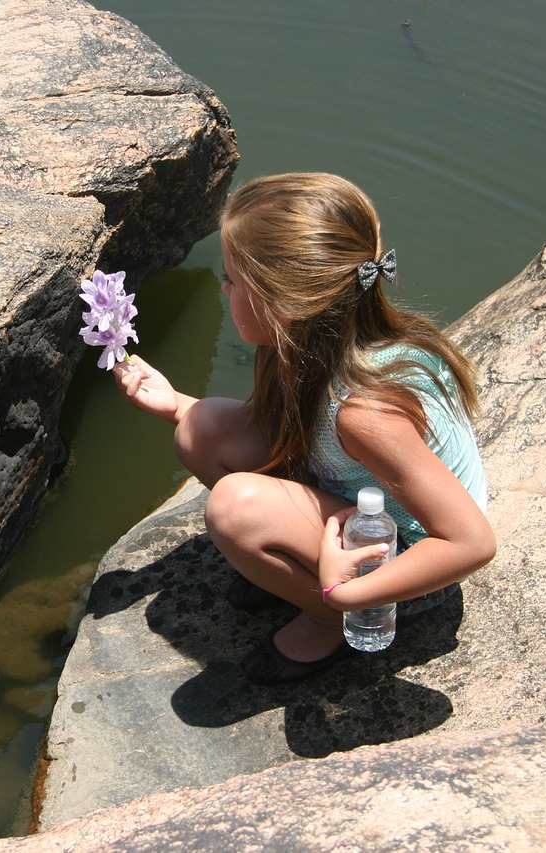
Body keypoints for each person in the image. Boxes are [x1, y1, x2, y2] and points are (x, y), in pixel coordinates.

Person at [113, 172, 495, 685]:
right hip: (348, 493)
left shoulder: (366, 411)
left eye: (231, 279)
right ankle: (297, 573)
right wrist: (177, 404)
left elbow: (471, 542)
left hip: (407, 556)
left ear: (282, 303)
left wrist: (347, 593)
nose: (222, 287)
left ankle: (329, 618)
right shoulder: (299, 343)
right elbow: (279, 427)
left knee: (235, 508)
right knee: (200, 429)